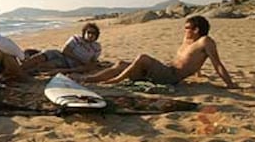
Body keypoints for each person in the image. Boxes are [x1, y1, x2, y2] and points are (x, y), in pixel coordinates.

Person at [76, 16, 237, 88]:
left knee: (143, 58)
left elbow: (217, 64)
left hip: (171, 77)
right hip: (164, 71)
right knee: (121, 64)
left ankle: (115, 81)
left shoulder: (205, 41)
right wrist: (198, 73)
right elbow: (192, 59)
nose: (185, 30)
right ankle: (88, 80)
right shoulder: (188, 41)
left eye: (187, 28)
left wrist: (230, 84)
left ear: (197, 30)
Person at [21, 23, 102, 74]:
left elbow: (92, 62)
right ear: (84, 33)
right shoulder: (76, 39)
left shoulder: (96, 48)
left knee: (45, 65)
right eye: (89, 32)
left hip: (68, 63)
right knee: (42, 55)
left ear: (96, 35)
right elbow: (65, 51)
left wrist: (83, 64)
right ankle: (20, 67)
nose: (91, 35)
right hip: (61, 54)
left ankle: (25, 72)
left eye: (93, 33)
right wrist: (80, 60)